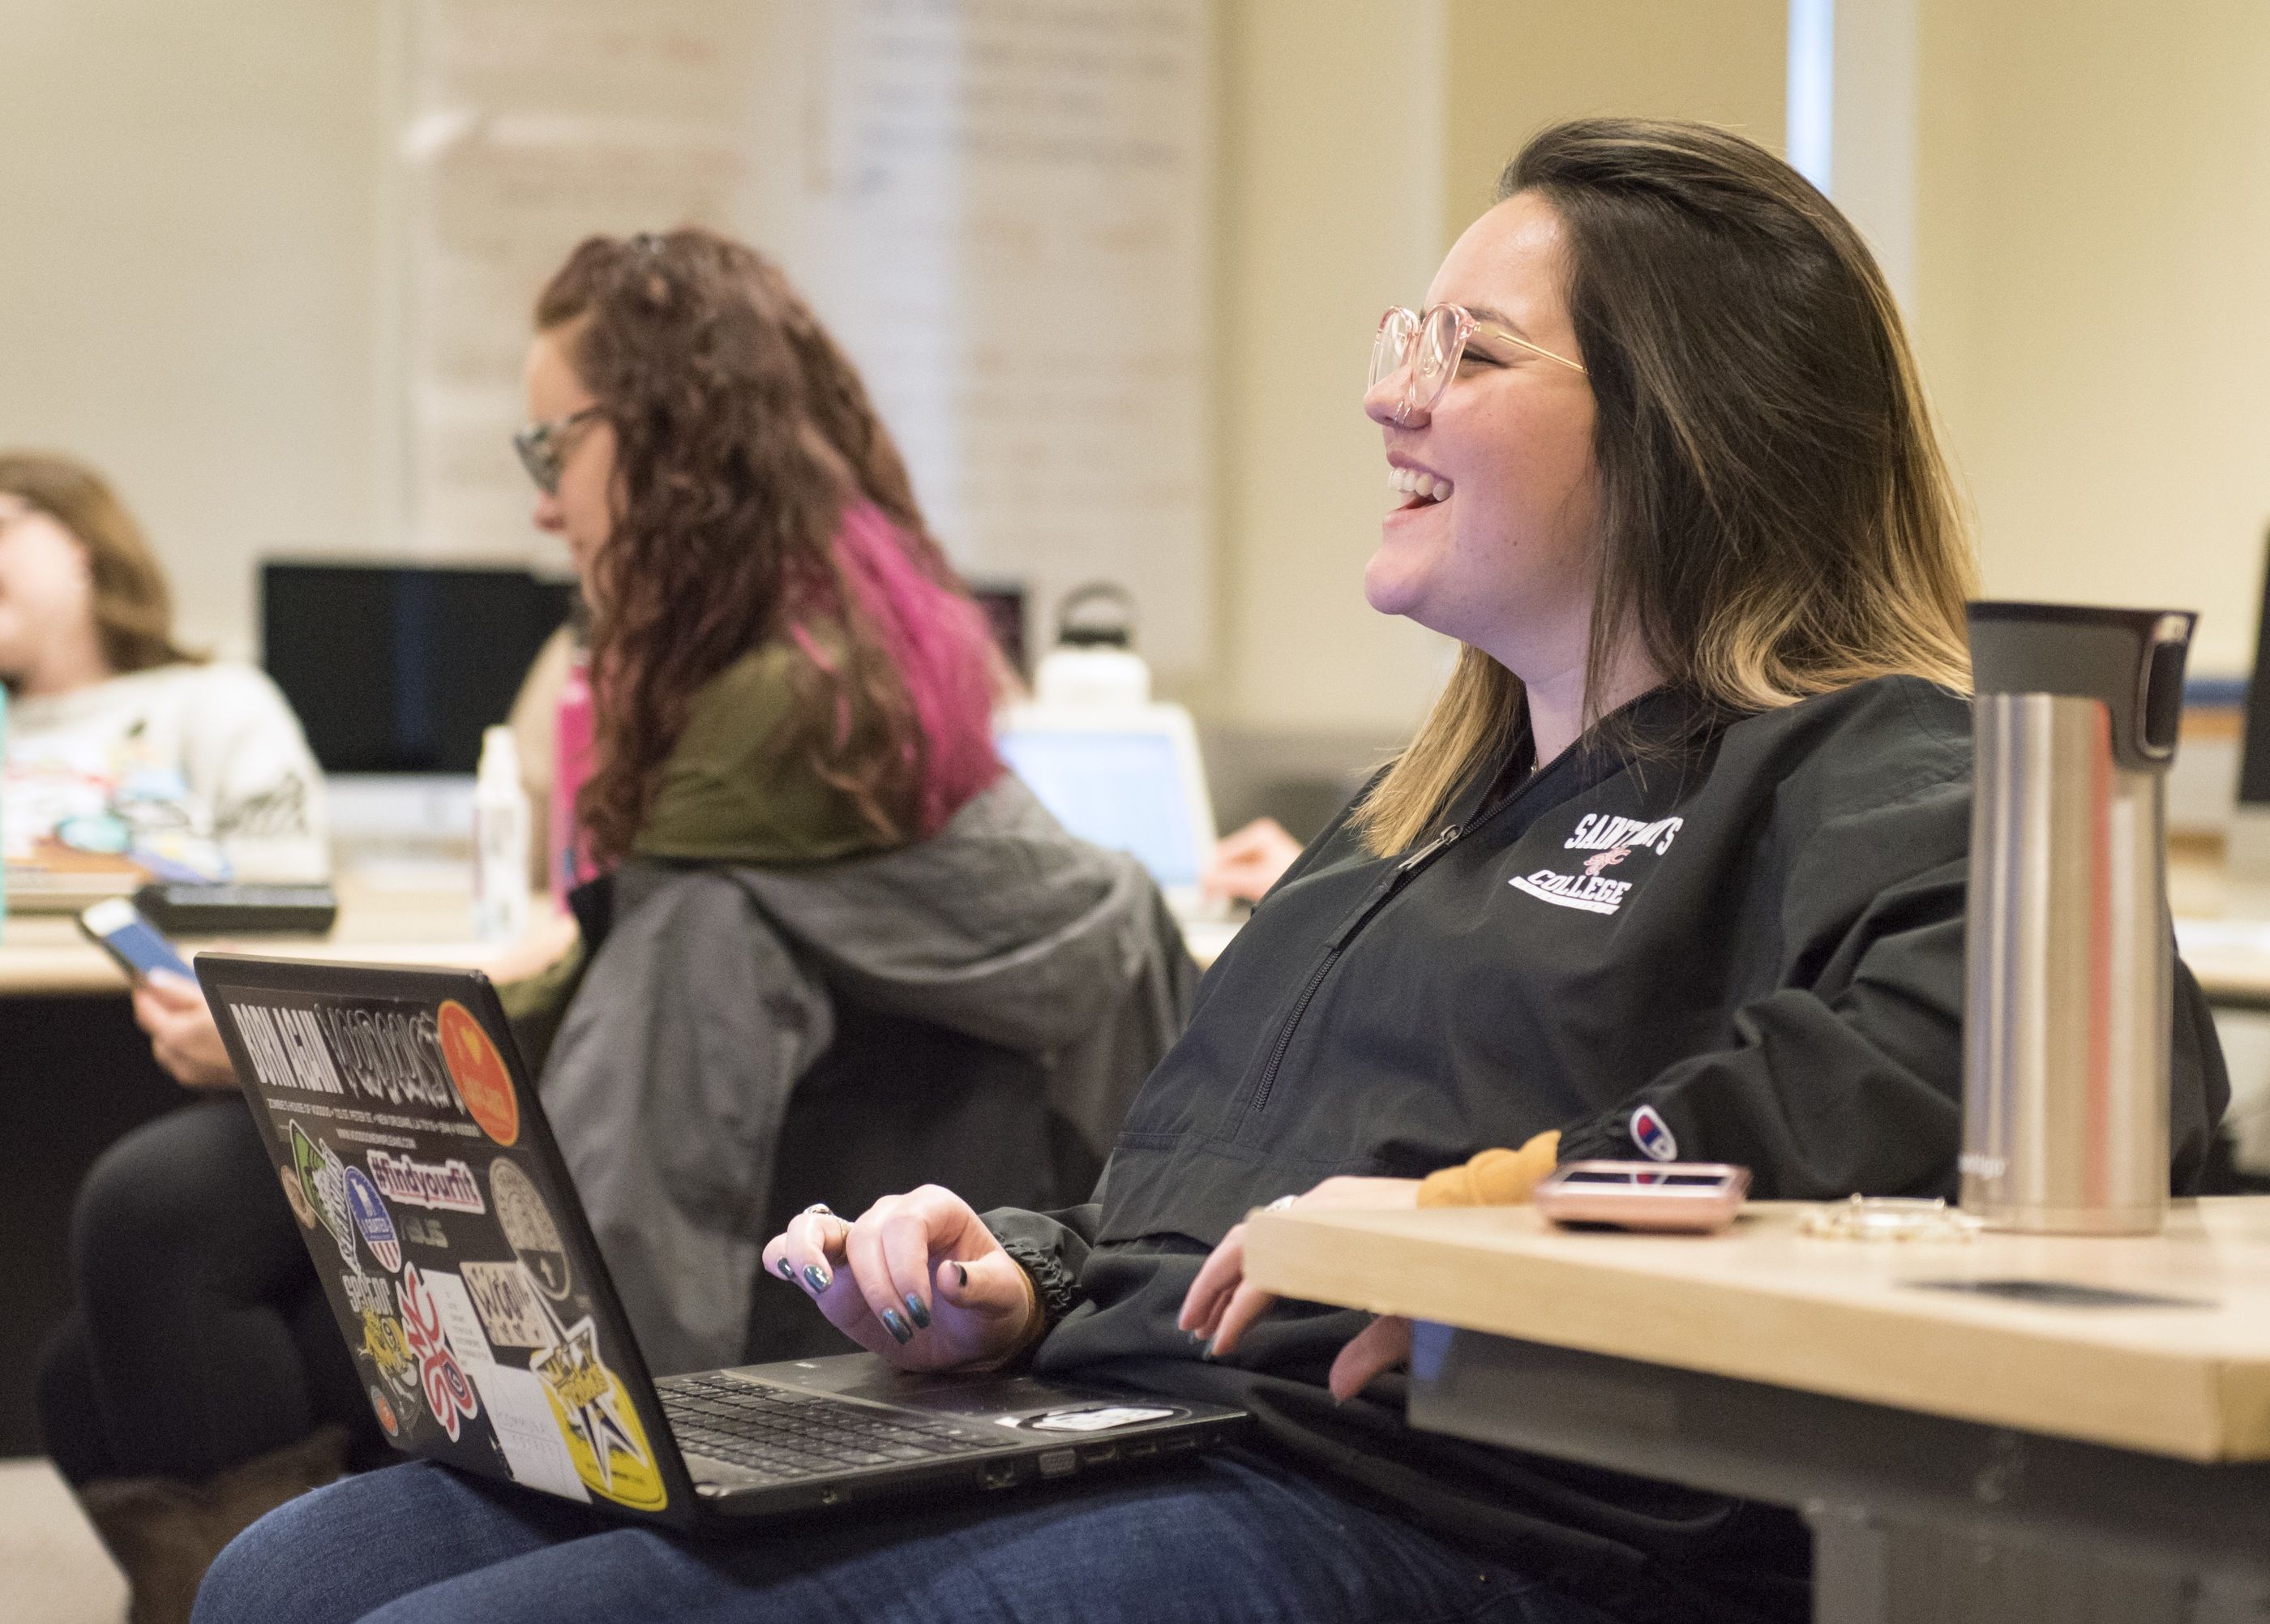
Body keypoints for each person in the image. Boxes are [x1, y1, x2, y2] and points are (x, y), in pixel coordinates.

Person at [195, 118, 2226, 1624]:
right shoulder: (1406, 815)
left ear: (1681, 434)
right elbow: (1189, 1216)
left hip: (1465, 1507)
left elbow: (2030, 1062)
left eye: (1466, 349)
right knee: (300, 1574)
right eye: (1400, 330)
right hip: (1116, 1412)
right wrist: (1021, 1272)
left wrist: (1471, 1226)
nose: (1385, 387)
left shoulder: (1878, 755)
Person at [44, 232, 1189, 1624]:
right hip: (775, 1154)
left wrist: (334, 1048)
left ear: (666, 438)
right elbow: (615, 965)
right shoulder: (826, 637)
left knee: (147, 1256)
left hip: (738, 1244)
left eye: (554, 452)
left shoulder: (788, 698)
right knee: (105, 1326)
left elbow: (630, 990)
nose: (544, 509)